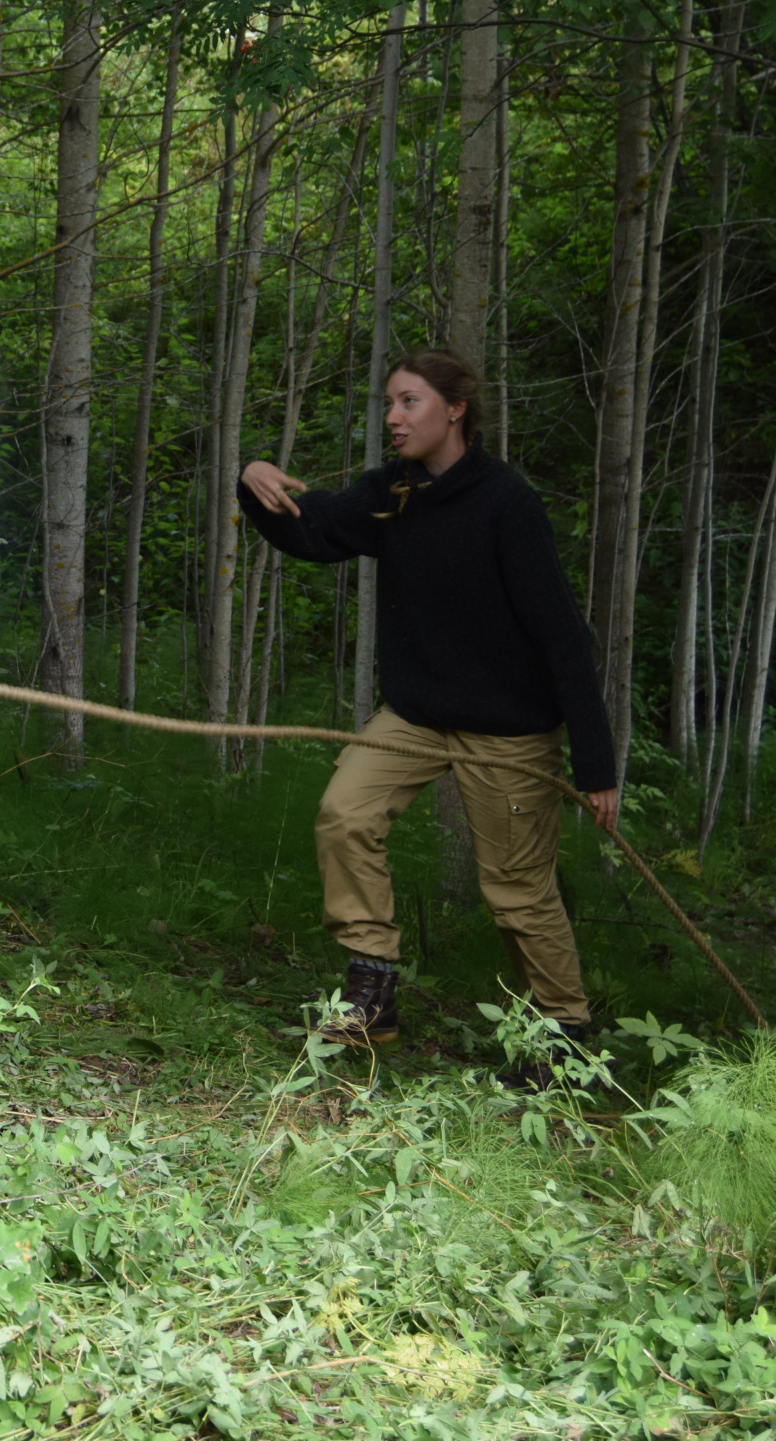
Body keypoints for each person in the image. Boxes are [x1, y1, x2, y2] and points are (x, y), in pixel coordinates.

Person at [238, 349, 618, 1061]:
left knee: (516, 891)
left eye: (409, 401)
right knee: (344, 815)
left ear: (455, 408)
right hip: (415, 716)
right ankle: (372, 989)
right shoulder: (395, 492)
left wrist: (596, 764)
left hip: (508, 729)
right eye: (390, 403)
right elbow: (313, 529)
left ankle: (564, 1043)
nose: (393, 416)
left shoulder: (507, 503)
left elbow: (564, 637)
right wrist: (253, 483)